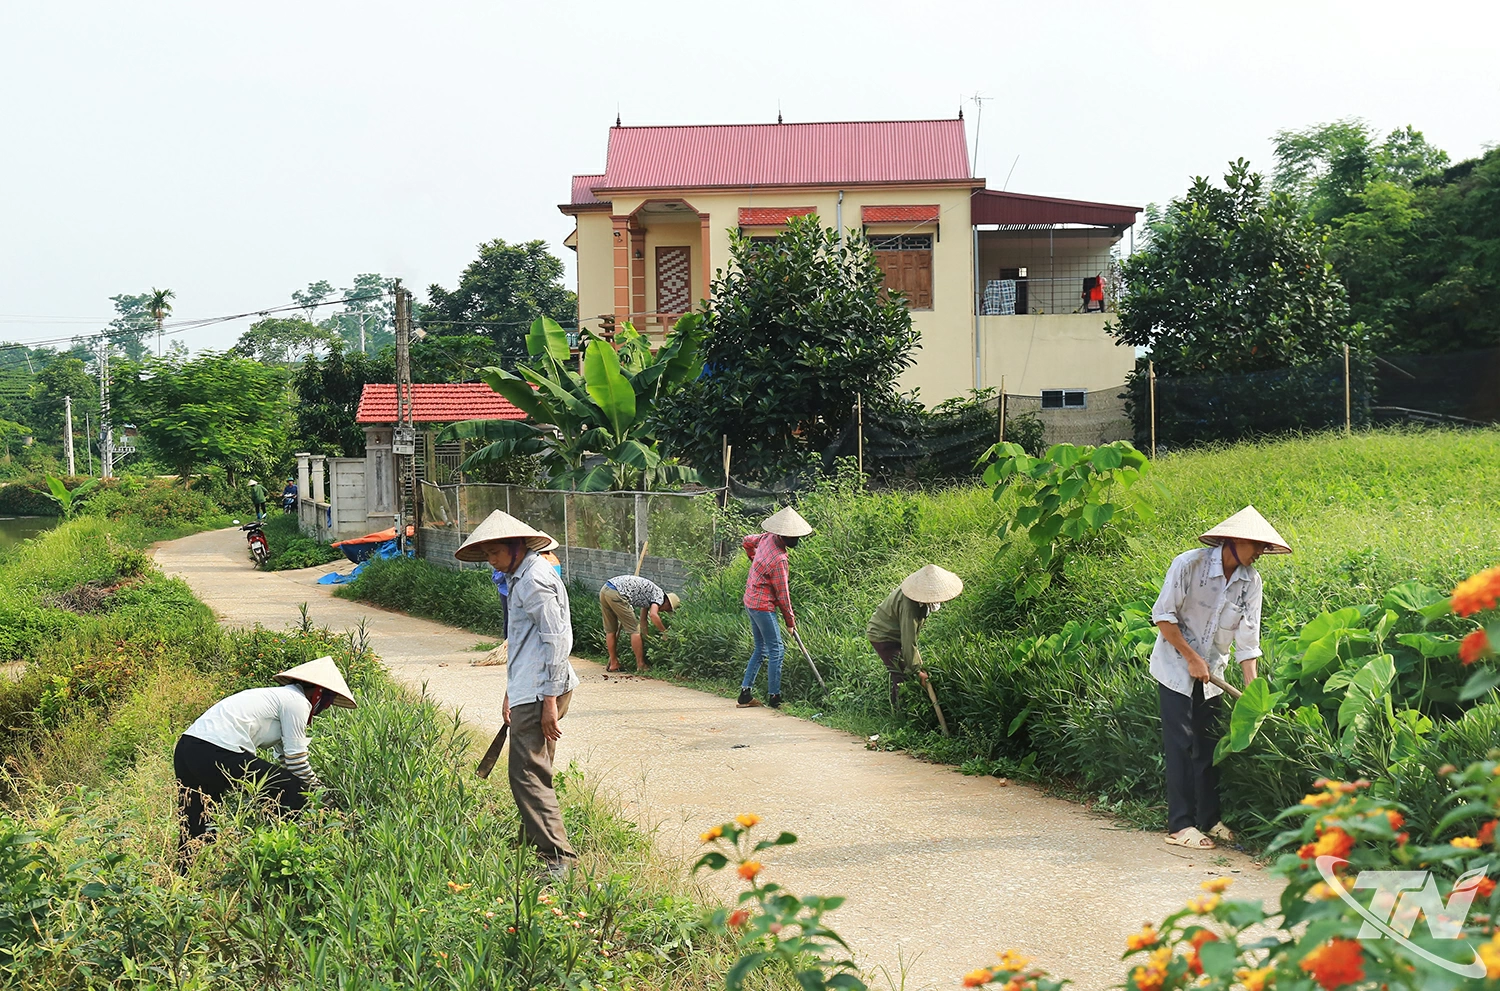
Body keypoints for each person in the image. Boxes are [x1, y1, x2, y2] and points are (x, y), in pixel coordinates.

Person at [1151, 505, 1290, 850]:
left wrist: (1253, 694)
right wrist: (1192, 658)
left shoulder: (1250, 582)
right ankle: (1180, 825)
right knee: (1181, 743)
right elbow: (1163, 617)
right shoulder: (1189, 565)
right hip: (1174, 667)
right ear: (1234, 540)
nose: (1260, 553)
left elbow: (1247, 643)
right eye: (1256, 545)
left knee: (1209, 745)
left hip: (1213, 674)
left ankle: (1210, 820)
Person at [457, 510, 579, 876]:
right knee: (534, 769)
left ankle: (559, 859)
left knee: (527, 773)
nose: (491, 561)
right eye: (488, 554)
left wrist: (548, 701)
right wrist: (512, 692)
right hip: (533, 688)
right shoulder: (521, 576)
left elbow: (556, 640)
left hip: (544, 690)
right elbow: (524, 642)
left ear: (514, 547)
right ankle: (534, 843)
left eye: (494, 553)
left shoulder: (534, 580)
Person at [174, 656, 357, 859]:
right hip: (216, 750)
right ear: (318, 693)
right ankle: (290, 852)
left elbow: (285, 760)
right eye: (328, 701)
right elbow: (296, 762)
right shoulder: (297, 702)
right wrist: (324, 797)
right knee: (291, 789)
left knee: (198, 819)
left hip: (187, 748)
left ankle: (187, 877)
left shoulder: (280, 698)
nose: (326, 707)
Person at [737, 506, 812, 709]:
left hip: (750, 600)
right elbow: (783, 595)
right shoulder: (779, 559)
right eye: (791, 537)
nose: (794, 540)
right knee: (776, 649)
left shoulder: (766, 538)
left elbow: (746, 541)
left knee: (761, 648)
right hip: (761, 605)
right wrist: (790, 621)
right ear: (783, 535)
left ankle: (745, 694)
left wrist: (754, 560)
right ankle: (775, 697)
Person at [867, 564, 964, 712]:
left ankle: (901, 711)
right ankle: (902, 715)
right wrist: (917, 670)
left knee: (904, 671)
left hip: (895, 634)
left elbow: (911, 638)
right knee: (902, 675)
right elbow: (908, 638)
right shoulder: (910, 606)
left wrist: (915, 663)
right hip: (883, 636)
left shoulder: (921, 601)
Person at [599, 574, 680, 673]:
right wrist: (664, 632)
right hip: (617, 592)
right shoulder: (659, 596)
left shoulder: (650, 596)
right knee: (634, 631)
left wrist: (646, 638)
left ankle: (614, 663)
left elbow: (643, 620)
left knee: (611, 630)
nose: (663, 611)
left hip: (606, 589)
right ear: (668, 604)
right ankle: (641, 665)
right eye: (667, 610)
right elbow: (653, 615)